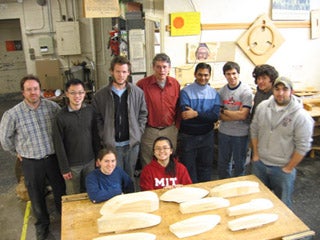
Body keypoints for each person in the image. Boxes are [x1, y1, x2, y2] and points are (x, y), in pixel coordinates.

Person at [0, 74, 66, 240]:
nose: (33, 92)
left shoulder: (52, 108)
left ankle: (66, 221)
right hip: (31, 163)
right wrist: (18, 153)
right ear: (23, 92)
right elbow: (5, 140)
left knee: (60, 192)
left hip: (53, 159)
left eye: (35, 89)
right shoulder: (12, 115)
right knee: (36, 196)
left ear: (40, 90)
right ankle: (42, 226)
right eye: (29, 89)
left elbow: (63, 128)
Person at [250, 76, 314, 208]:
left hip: (282, 169)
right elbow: (254, 129)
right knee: (257, 201)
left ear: (292, 91)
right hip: (260, 164)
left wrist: (289, 167)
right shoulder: (263, 107)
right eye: (277, 89)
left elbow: (303, 146)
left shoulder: (301, 116)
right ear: (273, 90)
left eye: (285, 89)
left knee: (282, 206)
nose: (280, 93)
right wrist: (256, 155)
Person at [92, 56, 147, 185]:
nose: (121, 75)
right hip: (112, 145)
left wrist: (138, 132)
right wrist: (104, 135)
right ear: (111, 71)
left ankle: (130, 203)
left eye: (124, 72)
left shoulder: (137, 93)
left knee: (129, 177)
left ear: (128, 73)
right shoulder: (100, 95)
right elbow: (97, 118)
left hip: (131, 144)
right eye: (117, 71)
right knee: (113, 177)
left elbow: (143, 114)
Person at [53, 79, 101, 195]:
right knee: (73, 196)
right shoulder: (60, 117)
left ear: (85, 93)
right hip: (72, 166)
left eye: (80, 92)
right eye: (73, 93)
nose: (77, 96)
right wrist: (64, 168)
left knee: (91, 192)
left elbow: (95, 137)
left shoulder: (90, 111)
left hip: (90, 162)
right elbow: (58, 144)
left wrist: (98, 157)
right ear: (66, 94)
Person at [178, 63, 220, 183]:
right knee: (188, 168)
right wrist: (206, 115)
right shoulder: (185, 92)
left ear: (210, 75)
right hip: (188, 137)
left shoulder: (214, 93)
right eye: (200, 75)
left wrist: (196, 114)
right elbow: (186, 115)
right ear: (195, 74)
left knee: (206, 168)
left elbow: (215, 116)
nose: (203, 78)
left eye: (206, 75)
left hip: (207, 136)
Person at [136, 53, 180, 168]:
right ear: (153, 67)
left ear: (169, 68)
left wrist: (176, 127)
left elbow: (179, 107)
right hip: (149, 131)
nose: (162, 70)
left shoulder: (175, 84)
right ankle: (150, 186)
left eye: (164, 67)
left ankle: (168, 185)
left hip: (169, 129)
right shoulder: (142, 85)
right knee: (148, 162)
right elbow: (135, 109)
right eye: (158, 67)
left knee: (169, 161)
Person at [218, 61, 253, 179]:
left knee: (239, 164)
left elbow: (243, 116)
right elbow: (219, 115)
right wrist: (235, 113)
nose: (231, 77)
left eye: (234, 73)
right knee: (223, 163)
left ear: (238, 73)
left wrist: (225, 111)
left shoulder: (246, 91)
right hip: (224, 132)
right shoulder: (222, 91)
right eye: (228, 74)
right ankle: (224, 184)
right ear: (225, 75)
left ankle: (239, 186)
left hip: (240, 134)